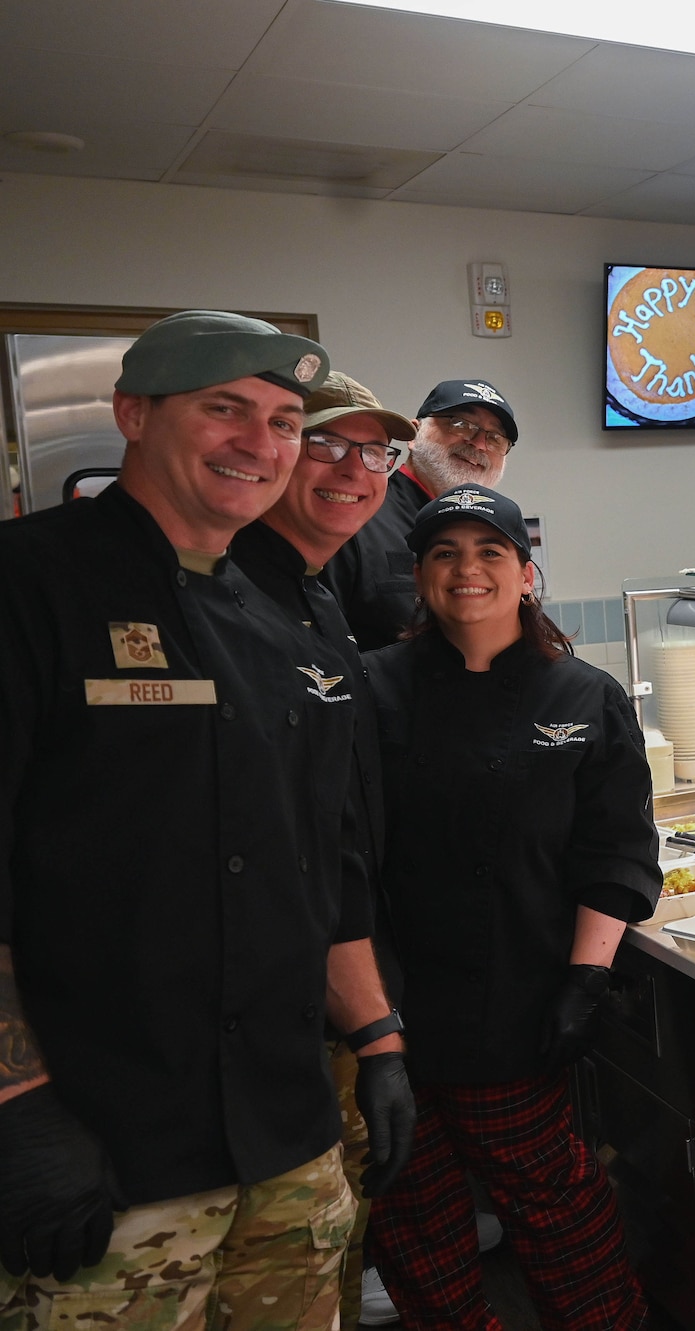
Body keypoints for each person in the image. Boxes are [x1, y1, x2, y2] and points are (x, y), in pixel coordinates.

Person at [0, 311, 411, 1329]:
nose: (258, 442)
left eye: (282, 421)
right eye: (224, 408)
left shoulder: (280, 630)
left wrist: (377, 1036)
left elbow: (320, 863)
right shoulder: (27, 584)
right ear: (133, 414)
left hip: (288, 1137)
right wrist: (17, 1106)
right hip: (110, 1150)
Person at [363, 483, 659, 1331]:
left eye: (490, 551)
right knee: (411, 1204)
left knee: (553, 1196)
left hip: (516, 998)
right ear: (419, 575)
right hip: (389, 1002)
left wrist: (585, 979)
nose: (468, 570)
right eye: (445, 553)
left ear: (526, 573)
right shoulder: (370, 687)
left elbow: (616, 846)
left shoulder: (583, 695)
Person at [228, 372, 417, 1329]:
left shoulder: (315, 598)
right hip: (249, 1030)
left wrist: (372, 1029)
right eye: (326, 444)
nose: (353, 469)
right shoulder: (225, 598)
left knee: (327, 1256)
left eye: (374, 451)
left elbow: (334, 826)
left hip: (333, 998)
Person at [325, 378, 519, 651]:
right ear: (414, 435)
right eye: (461, 424)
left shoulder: (500, 533)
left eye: (495, 438)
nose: (479, 444)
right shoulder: (357, 518)